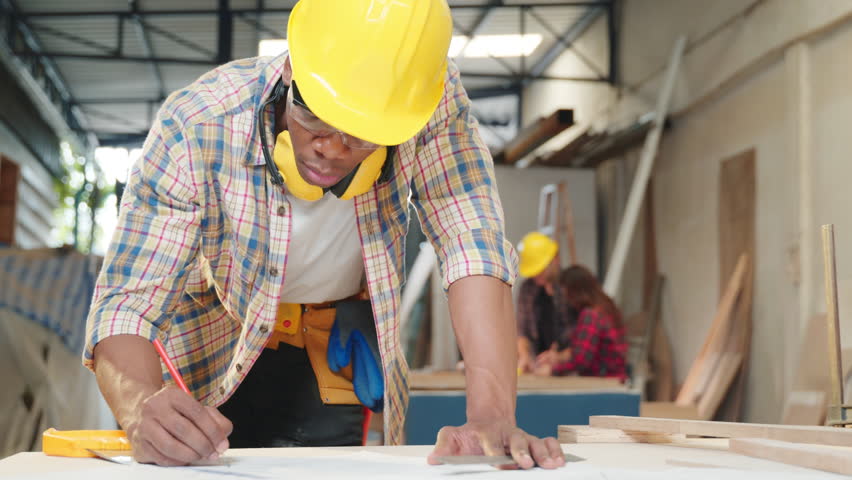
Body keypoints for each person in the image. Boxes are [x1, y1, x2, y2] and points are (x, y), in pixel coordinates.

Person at [82, 0, 565, 470]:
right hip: (213, 342)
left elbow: (470, 237)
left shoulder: (421, 98)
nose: (330, 151)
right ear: (292, 67)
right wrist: (140, 405)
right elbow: (129, 299)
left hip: (328, 348)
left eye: (360, 136)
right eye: (314, 116)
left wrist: (492, 415)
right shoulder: (198, 124)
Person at [535, 265, 628, 379]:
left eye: (568, 295)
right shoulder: (608, 307)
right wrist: (558, 357)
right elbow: (587, 350)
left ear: (576, 292)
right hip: (617, 379)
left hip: (604, 382)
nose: (568, 301)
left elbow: (581, 361)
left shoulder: (591, 315)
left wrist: (552, 370)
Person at [515, 232, 577, 373]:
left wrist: (560, 357)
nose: (536, 275)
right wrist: (524, 357)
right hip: (539, 367)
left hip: (571, 367)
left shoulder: (572, 287)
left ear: (555, 260)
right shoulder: (528, 288)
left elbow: (585, 341)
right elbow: (522, 330)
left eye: (541, 270)